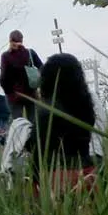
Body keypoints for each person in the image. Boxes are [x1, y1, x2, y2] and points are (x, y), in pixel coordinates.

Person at [30, 54, 99, 193]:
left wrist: (35, 181)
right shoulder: (86, 107)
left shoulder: (47, 111)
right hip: (86, 172)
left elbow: (37, 149)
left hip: (56, 176)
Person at [0, 29, 43, 112]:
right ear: (22, 40)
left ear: (10, 40)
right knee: (33, 121)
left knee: (18, 122)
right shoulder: (30, 53)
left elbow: (3, 77)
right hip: (31, 94)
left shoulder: (6, 56)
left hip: (14, 95)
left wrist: (9, 92)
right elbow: (42, 68)